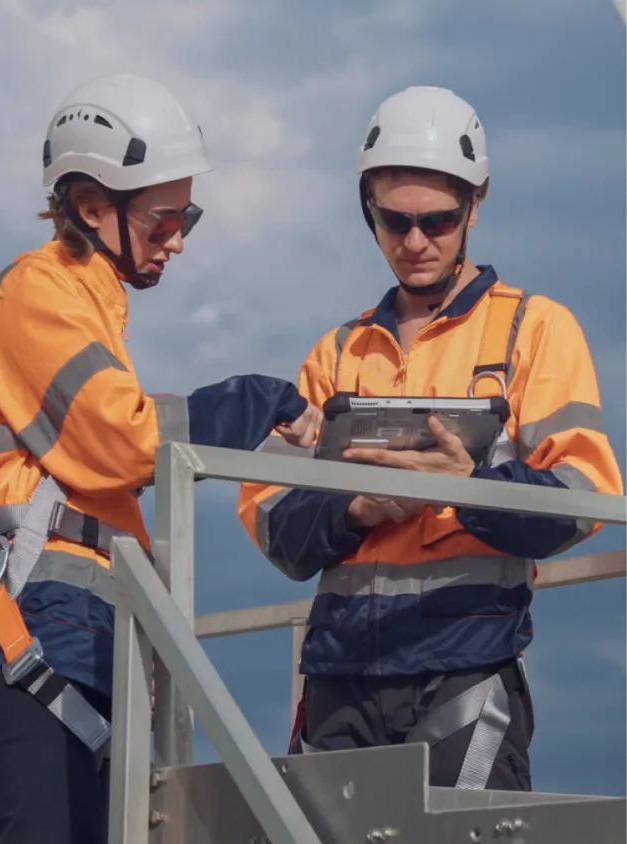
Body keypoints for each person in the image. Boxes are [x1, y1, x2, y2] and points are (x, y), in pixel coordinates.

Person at [0, 73, 321, 844]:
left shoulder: (86, 303)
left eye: (187, 216)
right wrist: (258, 398)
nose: (178, 237)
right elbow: (124, 443)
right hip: (31, 639)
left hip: (77, 639)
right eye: (163, 219)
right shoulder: (36, 294)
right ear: (92, 208)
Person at [238, 86, 623, 792]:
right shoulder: (338, 352)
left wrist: (466, 489)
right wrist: (353, 508)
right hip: (338, 675)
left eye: (438, 220)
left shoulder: (533, 329)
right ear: (370, 213)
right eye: (394, 221)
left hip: (465, 665)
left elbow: (585, 496)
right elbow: (266, 516)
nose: (414, 241)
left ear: (474, 206)